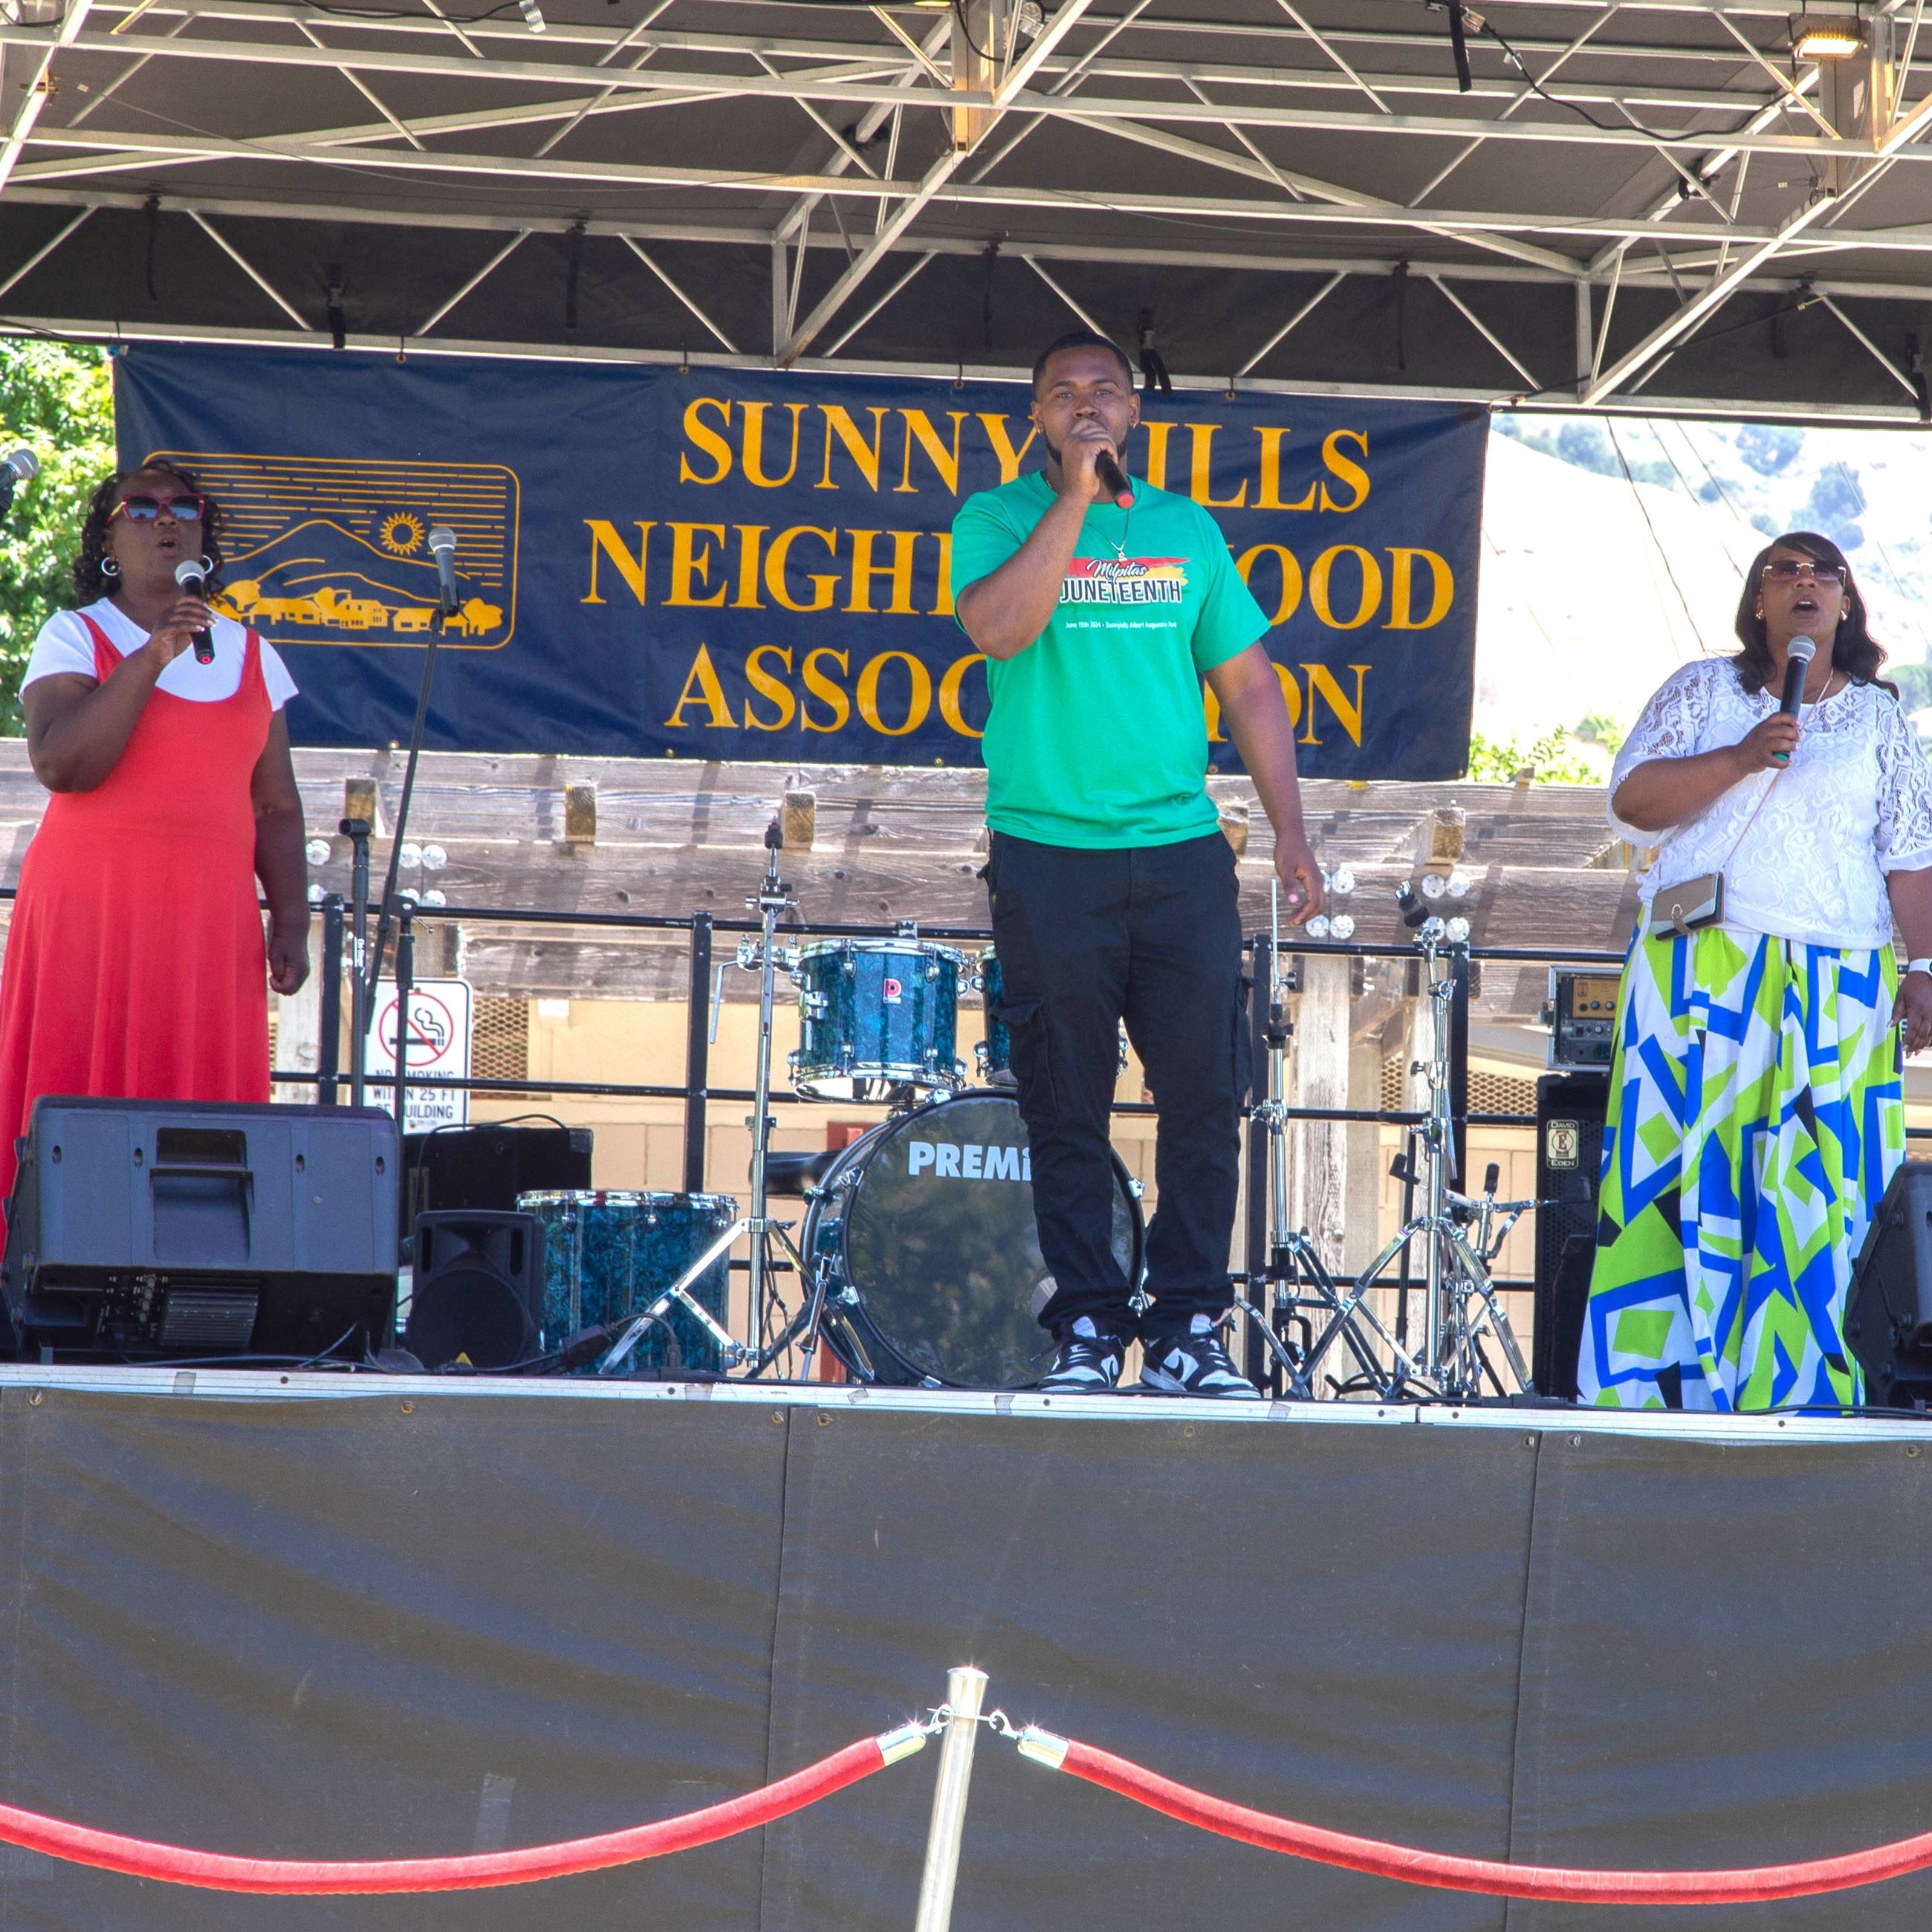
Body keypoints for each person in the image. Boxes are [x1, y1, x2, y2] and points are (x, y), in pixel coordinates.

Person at [951, 330, 1323, 1398]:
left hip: (1179, 854)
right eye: (1062, 392)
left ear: (1135, 412)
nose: (1085, 404)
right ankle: (1087, 1326)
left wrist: (1290, 830)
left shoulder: (1186, 529)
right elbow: (1000, 630)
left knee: (1207, 1096)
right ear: (1036, 415)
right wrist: (1072, 502)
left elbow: (1250, 688)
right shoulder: (997, 519)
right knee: (1064, 1102)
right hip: (1048, 854)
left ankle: (1188, 1327)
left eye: (1104, 390)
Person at [1581, 531, 1932, 1412]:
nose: (1804, 581)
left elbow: (1911, 855)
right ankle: (1662, 1388)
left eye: (1822, 572)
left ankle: (1813, 1383)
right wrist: (1740, 755)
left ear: (1846, 602)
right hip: (1700, 970)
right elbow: (1630, 801)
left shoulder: (1880, 719)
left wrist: (1922, 963)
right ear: (1757, 602)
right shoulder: (1701, 691)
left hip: (1837, 986)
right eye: (1783, 570)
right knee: (1689, 1177)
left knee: (1818, 1190)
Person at [0, 462, 309, 1233]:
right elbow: (64, 762)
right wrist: (152, 655)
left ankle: (197, 1265)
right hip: (91, 917)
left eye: (183, 507)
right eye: (140, 507)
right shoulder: (75, 634)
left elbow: (274, 805)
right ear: (109, 537)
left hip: (207, 927)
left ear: (204, 532)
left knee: (198, 1116)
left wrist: (294, 919)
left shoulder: (251, 655)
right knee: (76, 1095)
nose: (164, 518)